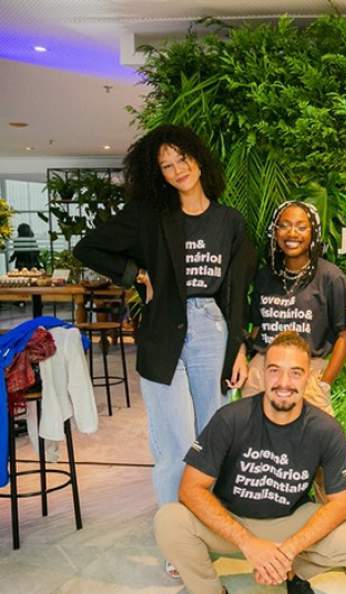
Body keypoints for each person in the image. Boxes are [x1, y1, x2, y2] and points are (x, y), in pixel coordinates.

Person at [74, 126, 256, 536]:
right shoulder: (149, 216)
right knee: (174, 439)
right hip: (162, 330)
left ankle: (210, 528)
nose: (177, 170)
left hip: (212, 327)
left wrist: (239, 349)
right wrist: (136, 274)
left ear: (198, 158)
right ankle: (177, 535)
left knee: (212, 434)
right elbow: (88, 247)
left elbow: (236, 293)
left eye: (181, 159)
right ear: (158, 173)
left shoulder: (229, 222)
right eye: (166, 165)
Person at [153, 332, 346, 594]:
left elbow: (341, 503)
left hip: (288, 521)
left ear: (308, 376)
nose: (284, 382)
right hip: (233, 521)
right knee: (169, 519)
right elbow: (190, 488)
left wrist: (288, 551)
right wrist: (249, 544)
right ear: (262, 373)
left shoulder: (325, 429)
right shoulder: (231, 418)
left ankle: (293, 573)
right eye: (275, 370)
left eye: (295, 372)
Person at [242, 200, 346, 415]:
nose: (292, 233)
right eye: (284, 226)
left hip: (309, 371)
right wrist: (250, 364)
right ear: (275, 232)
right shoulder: (265, 275)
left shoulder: (330, 276)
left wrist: (324, 382)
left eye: (301, 227)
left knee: (316, 434)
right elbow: (257, 326)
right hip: (263, 370)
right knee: (250, 432)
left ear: (314, 234)